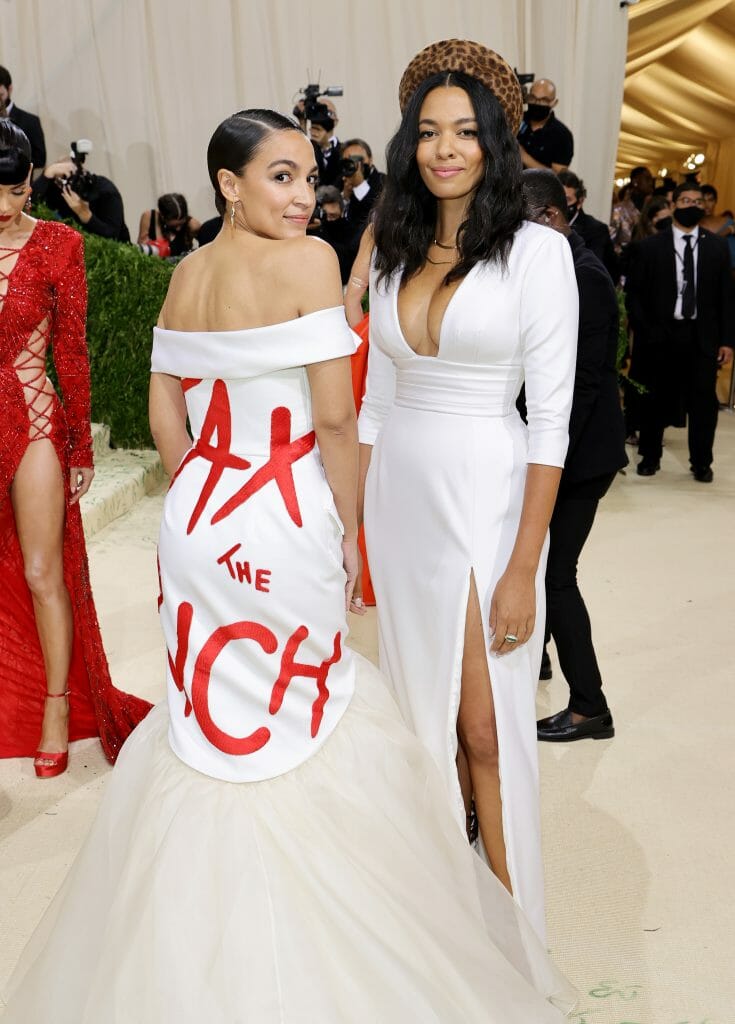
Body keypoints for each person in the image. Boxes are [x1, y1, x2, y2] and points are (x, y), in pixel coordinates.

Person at [2, 109, 574, 1023]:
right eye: (282, 177)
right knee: (304, 714)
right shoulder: (308, 264)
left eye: (310, 177)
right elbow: (336, 419)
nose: (305, 197)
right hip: (285, 512)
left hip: (199, 520)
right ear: (228, 185)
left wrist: (202, 487)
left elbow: (160, 407)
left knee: (212, 719)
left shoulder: (185, 273)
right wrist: (346, 529)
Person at [352, 39, 578, 943]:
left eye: (463, 131)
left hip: (487, 498)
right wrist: (351, 531)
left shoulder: (536, 253)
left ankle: (512, 943)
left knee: (486, 731)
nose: (444, 148)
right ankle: (445, 929)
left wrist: (523, 567)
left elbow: (551, 422)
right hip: (398, 504)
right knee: (426, 726)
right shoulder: (391, 249)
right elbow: (372, 407)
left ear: (493, 141)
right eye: (427, 132)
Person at [0, 119, 150, 776]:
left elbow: (71, 352)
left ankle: (57, 709)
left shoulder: (58, 244)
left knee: (42, 572)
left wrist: (80, 445)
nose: (4, 206)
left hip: (35, 419)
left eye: (14, 190)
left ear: (32, 180)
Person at [522, 169, 626, 742]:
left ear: (551, 217)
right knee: (543, 566)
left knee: (558, 576)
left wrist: (547, 460)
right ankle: (535, 659)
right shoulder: (563, 264)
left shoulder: (584, 276)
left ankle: (590, 706)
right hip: (571, 449)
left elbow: (579, 386)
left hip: (580, 455)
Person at [626, 182, 735, 482]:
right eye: (685, 200)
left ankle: (701, 462)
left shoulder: (717, 247)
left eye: (698, 202)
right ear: (673, 205)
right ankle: (649, 457)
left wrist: (727, 341)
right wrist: (645, 332)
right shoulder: (650, 247)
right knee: (655, 399)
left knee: (703, 404)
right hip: (660, 336)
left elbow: (727, 297)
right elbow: (634, 296)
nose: (692, 206)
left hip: (702, 338)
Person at [32, 154, 130, 241]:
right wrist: (47, 175)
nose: (69, 185)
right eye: (62, 179)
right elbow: (29, 205)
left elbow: (113, 236)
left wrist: (86, 215)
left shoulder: (105, 191)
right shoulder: (57, 188)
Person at [558, 169, 619, 282]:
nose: (561, 204)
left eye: (567, 200)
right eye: (558, 198)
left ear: (580, 202)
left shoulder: (596, 231)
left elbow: (592, 272)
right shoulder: (543, 224)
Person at [516, 78, 573, 173]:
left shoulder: (562, 135)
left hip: (538, 183)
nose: (537, 103)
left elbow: (558, 176)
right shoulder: (516, 119)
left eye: (544, 100)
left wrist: (524, 157)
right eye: (533, 98)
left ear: (554, 103)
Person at [0, 65, 46, 170]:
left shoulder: (30, 121)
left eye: (0, 95)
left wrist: (12, 162)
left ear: (9, 89)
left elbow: (40, 159)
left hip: (21, 179)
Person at [137, 192, 201, 258]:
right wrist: (157, 225)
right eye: (174, 226)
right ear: (162, 216)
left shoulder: (193, 225)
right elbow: (141, 252)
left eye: (181, 224)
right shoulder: (150, 216)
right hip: (155, 262)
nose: (178, 229)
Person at [339, 137, 384, 228]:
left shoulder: (385, 182)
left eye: (358, 159)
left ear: (370, 159)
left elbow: (375, 214)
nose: (354, 164)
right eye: (349, 162)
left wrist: (359, 185)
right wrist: (345, 198)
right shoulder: (341, 181)